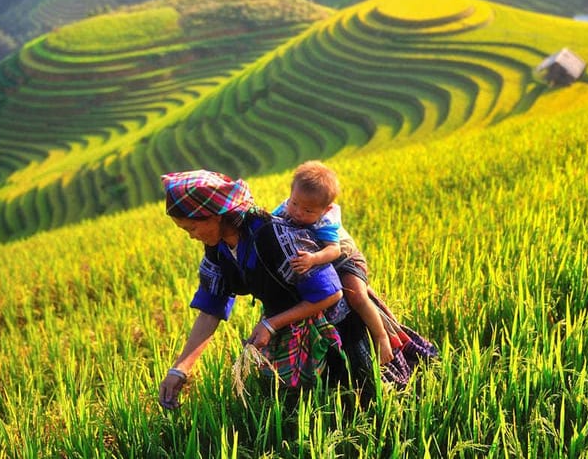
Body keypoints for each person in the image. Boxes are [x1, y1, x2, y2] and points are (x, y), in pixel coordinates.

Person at [157, 169, 437, 410]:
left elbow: (330, 293)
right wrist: (180, 369)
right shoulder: (217, 250)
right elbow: (211, 309)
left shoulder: (274, 236)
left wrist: (271, 323)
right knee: (305, 408)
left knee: (367, 400)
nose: (192, 236)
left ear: (216, 216)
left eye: (192, 227)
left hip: (337, 328)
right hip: (291, 326)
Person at [273, 160, 393, 365]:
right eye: (294, 204)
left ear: (325, 209)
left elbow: (333, 250)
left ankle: (381, 336)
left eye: (309, 211)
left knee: (356, 295)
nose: (299, 212)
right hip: (323, 266)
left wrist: (312, 259)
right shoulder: (289, 206)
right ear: (291, 194)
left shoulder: (326, 221)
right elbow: (272, 223)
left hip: (345, 260)